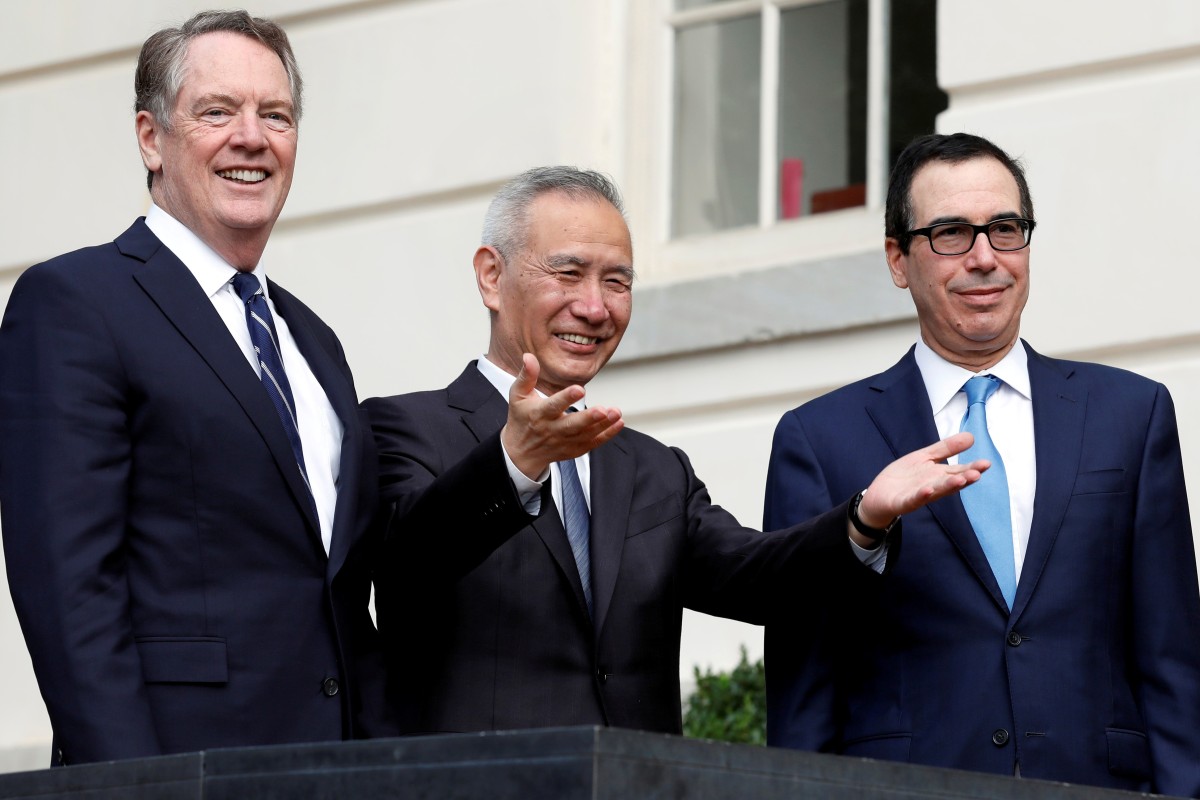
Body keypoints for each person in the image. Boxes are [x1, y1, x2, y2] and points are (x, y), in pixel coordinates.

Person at [363, 165, 987, 735]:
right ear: (491, 277)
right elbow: (404, 566)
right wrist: (514, 463)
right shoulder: (404, 428)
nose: (594, 307)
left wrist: (865, 518)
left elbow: (757, 580)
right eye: (568, 273)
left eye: (617, 282)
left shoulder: (652, 469)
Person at [0, 11, 389, 765]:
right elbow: (69, 593)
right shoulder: (75, 303)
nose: (252, 137)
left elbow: (337, 596)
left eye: (276, 115)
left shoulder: (313, 342)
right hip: (183, 771)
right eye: (217, 112)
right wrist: (136, 787)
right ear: (151, 138)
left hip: (336, 772)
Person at [762, 132, 1200, 796]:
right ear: (898, 259)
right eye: (951, 234)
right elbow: (805, 688)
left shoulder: (1130, 415)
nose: (985, 258)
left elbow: (1172, 660)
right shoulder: (821, 440)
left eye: (1005, 229)